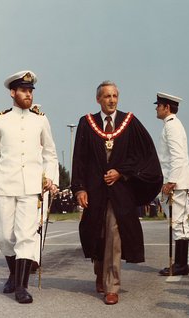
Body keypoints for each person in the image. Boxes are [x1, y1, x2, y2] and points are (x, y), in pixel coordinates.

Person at [71, 81, 162, 305]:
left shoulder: (129, 122)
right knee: (97, 232)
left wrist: (121, 172)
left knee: (114, 233)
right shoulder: (86, 123)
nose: (111, 100)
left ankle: (112, 285)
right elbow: (79, 159)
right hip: (94, 190)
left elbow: (143, 154)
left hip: (120, 192)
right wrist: (79, 188)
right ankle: (99, 271)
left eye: (114, 96)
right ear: (98, 100)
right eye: (107, 96)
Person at [0, 70, 59, 304]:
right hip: (5, 185)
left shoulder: (40, 120)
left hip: (31, 187)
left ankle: (21, 287)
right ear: (13, 93)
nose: (28, 95)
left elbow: (50, 153)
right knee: (5, 237)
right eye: (24, 91)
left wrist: (51, 179)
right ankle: (14, 273)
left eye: (31, 91)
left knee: (25, 236)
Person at [155, 92, 189, 276]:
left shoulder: (172, 127)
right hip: (176, 181)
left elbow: (177, 156)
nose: (156, 108)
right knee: (177, 221)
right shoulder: (171, 125)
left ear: (167, 108)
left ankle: (181, 264)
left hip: (176, 183)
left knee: (178, 222)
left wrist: (171, 181)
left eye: (158, 105)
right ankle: (180, 263)